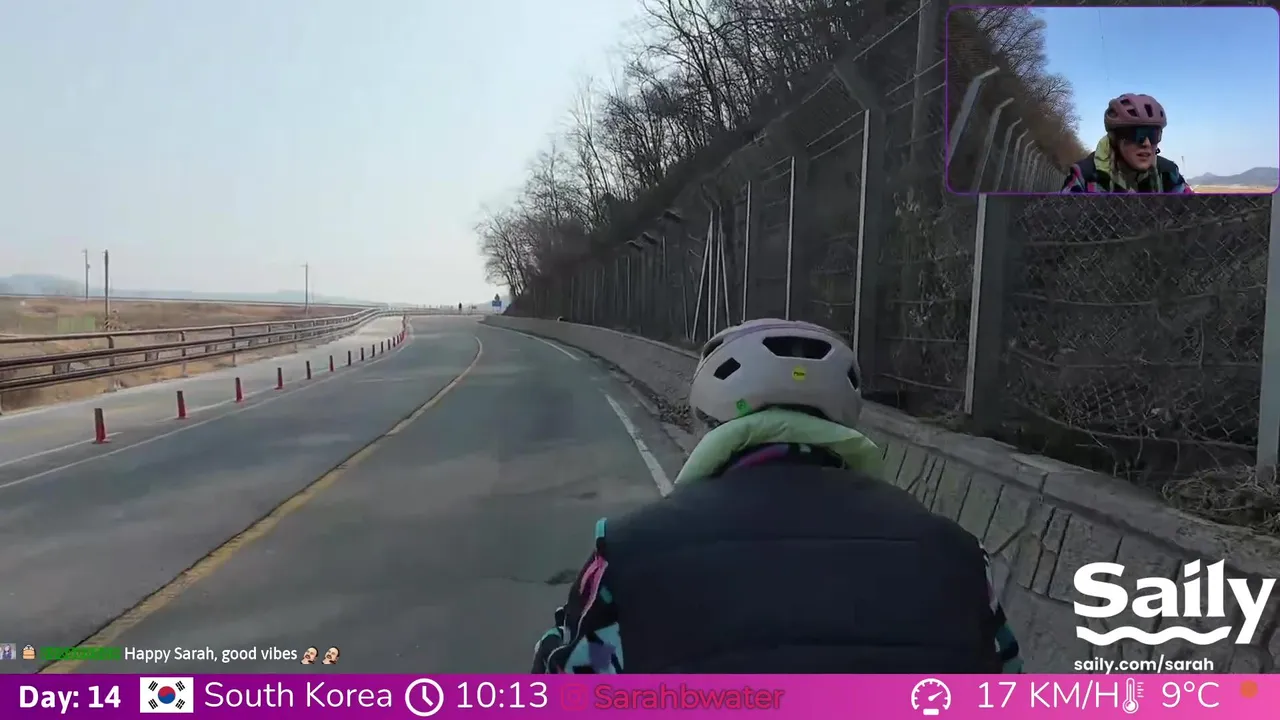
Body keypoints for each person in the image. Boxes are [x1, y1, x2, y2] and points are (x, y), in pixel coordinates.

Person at [530, 318, 1024, 674]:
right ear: (844, 421)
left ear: (709, 423)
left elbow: (567, 680)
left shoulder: (629, 555)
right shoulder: (958, 558)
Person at [1062, 93, 1192, 194]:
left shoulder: (1168, 173)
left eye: (1153, 135)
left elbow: (1195, 213)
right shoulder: (1084, 175)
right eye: (1136, 134)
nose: (1146, 143)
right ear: (1115, 138)